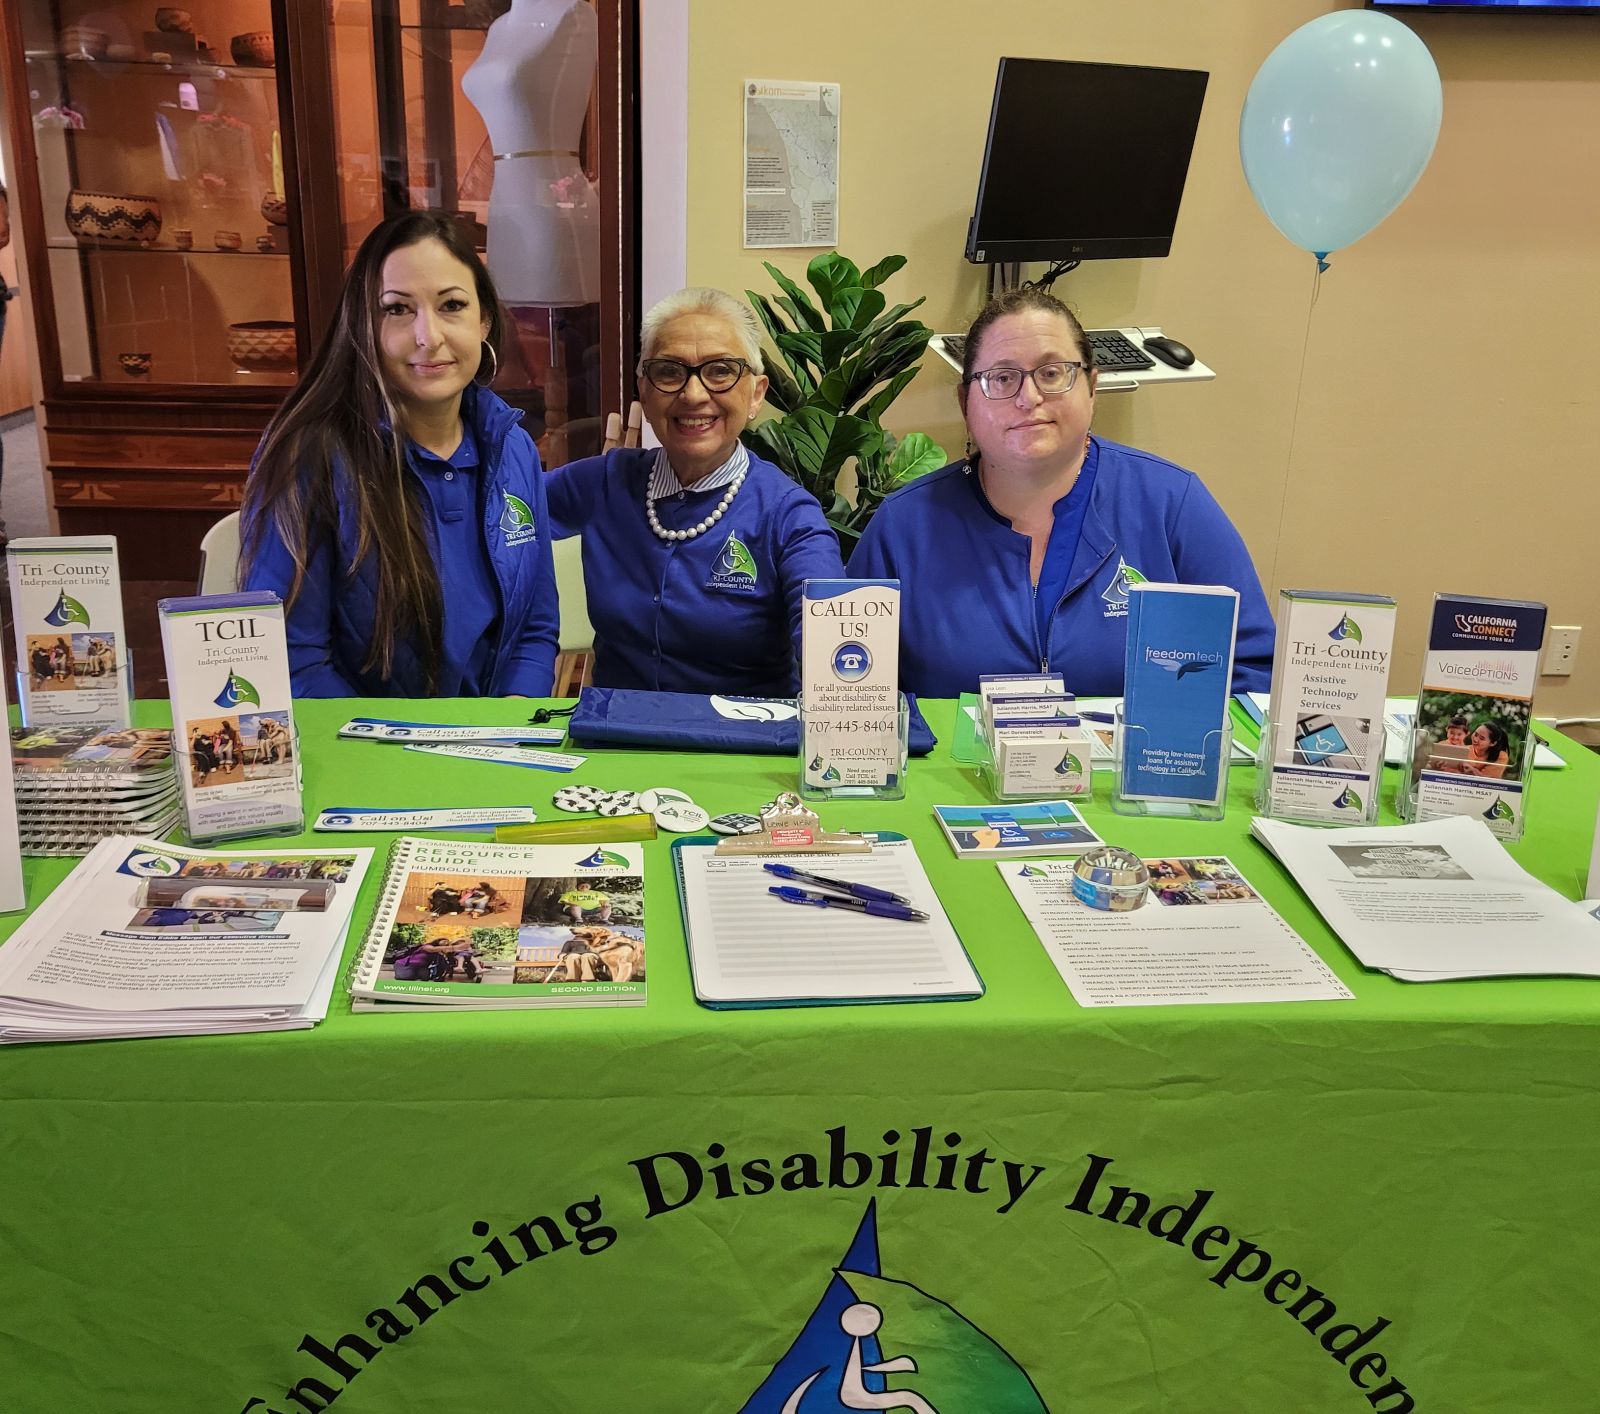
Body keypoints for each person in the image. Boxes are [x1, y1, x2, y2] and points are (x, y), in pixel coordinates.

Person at [847, 287, 1274, 697]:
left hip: (1132, 769)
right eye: (1001, 377)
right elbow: (851, 692)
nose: (1028, 397)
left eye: (1052, 373)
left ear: (1092, 386)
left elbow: (1252, 671)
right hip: (954, 771)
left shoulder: (1170, 504)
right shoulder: (904, 527)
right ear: (966, 403)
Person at [240, 211, 557, 697]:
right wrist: (406, 756)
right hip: (364, 752)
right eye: (397, 309)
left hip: (495, 746)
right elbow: (291, 660)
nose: (428, 337)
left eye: (451, 305)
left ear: (484, 320)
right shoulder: (311, 455)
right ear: (365, 324)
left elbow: (535, 629)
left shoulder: (512, 446)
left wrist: (509, 728)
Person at [544, 287, 845, 695]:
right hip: (615, 739)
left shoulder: (787, 514)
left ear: (756, 394)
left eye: (720, 370)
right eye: (669, 371)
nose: (693, 394)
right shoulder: (603, 483)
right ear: (644, 392)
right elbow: (494, 511)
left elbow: (831, 640)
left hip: (741, 744)